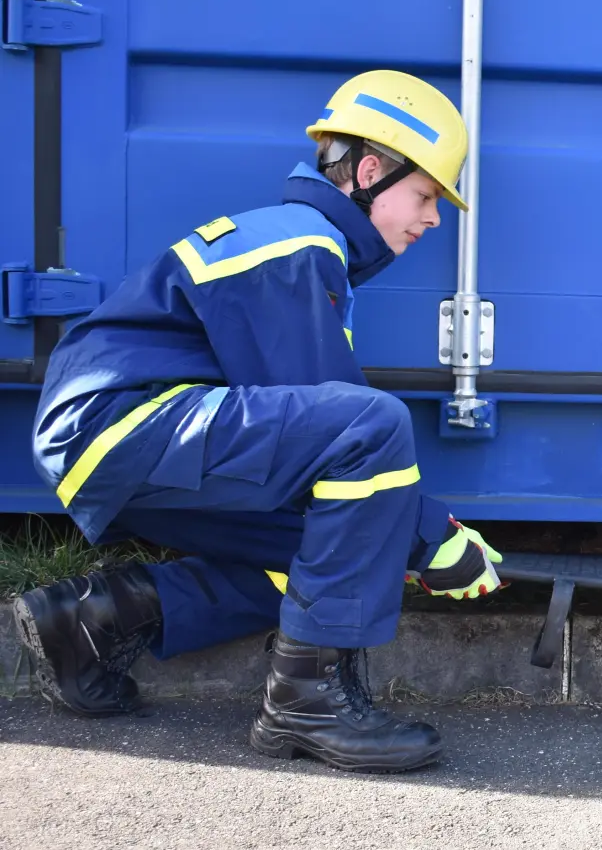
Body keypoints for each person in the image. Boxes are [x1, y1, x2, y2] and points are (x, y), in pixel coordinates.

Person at [14, 69, 505, 775]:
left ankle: (91, 621)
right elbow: (333, 415)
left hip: (126, 438)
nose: (432, 219)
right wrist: (428, 535)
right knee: (374, 427)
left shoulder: (303, 251)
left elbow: (317, 453)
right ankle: (306, 706)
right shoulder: (295, 245)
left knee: (337, 545)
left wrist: (400, 538)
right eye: (426, 195)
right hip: (121, 420)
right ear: (369, 171)